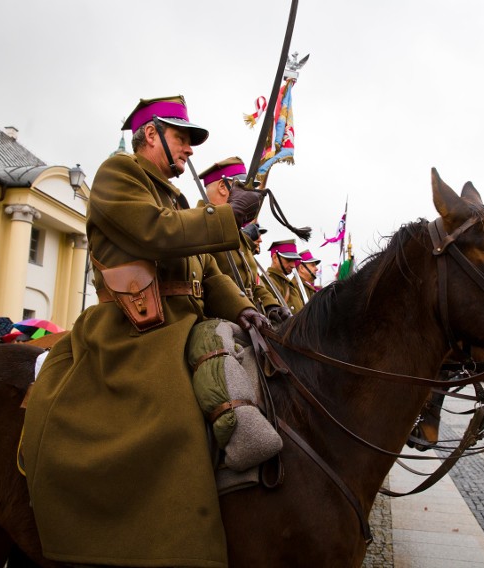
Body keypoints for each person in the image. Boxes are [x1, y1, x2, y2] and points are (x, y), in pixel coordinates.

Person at [21, 95, 268, 567]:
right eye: (183, 138)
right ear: (151, 135)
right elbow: (155, 232)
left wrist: (244, 311)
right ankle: (158, 545)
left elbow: (207, 274)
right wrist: (229, 215)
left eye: (192, 141)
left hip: (185, 324)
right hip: (133, 330)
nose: (190, 150)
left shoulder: (174, 197)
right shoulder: (119, 175)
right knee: (173, 411)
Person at [198, 157, 290, 324]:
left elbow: (252, 283)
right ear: (222, 187)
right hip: (220, 319)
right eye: (244, 188)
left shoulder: (237, 233)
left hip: (250, 316)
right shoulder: (200, 225)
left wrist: (271, 306)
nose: (251, 194)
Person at [266, 239, 305, 314]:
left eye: (294, 261)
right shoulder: (268, 281)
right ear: (275, 258)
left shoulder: (289, 284)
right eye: (289, 260)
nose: (293, 265)